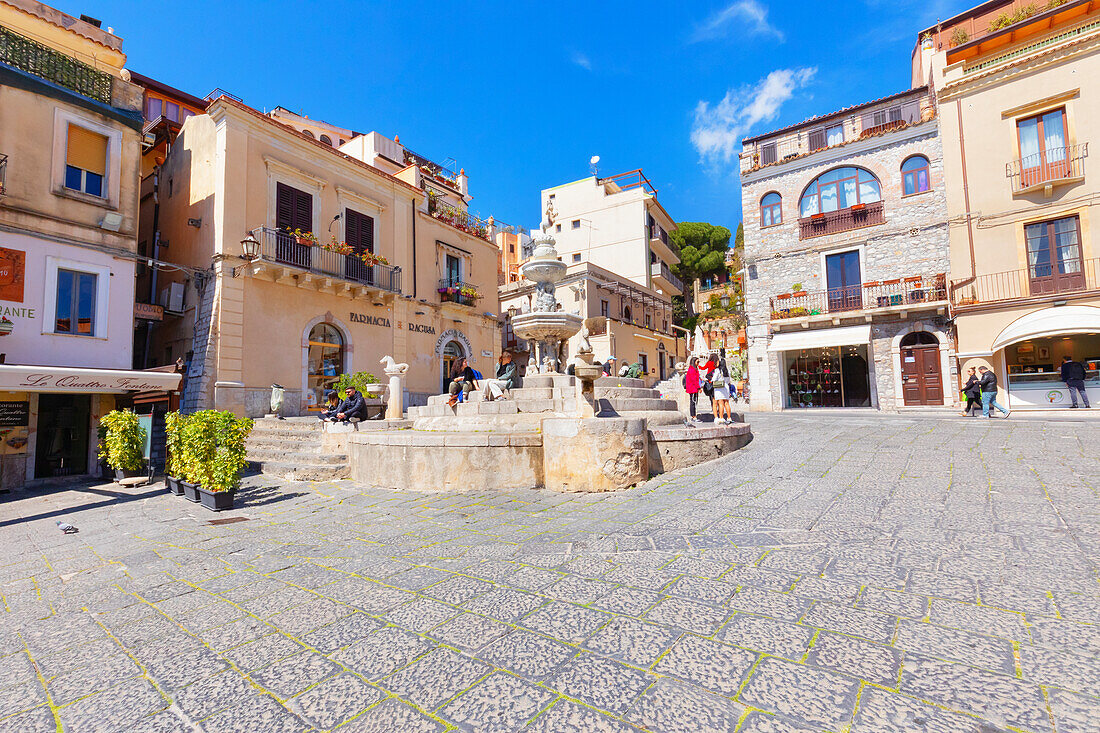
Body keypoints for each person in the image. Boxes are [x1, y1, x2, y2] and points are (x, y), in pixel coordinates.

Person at [711, 357, 733, 424]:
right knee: (726, 402)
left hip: (719, 388)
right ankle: (729, 417)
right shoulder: (727, 371)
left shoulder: (718, 370)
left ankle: (721, 417)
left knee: (720, 403)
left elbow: (714, 379)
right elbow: (728, 380)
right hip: (726, 387)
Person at [684, 356, 702, 423]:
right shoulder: (692, 369)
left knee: (693, 402)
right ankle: (693, 416)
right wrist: (698, 388)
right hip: (693, 388)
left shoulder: (694, 369)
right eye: (697, 362)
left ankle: (693, 416)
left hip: (693, 388)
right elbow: (694, 380)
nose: (698, 363)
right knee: (693, 402)